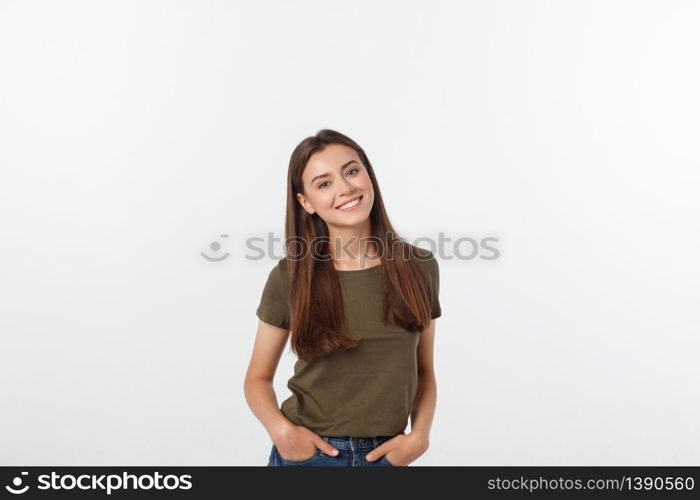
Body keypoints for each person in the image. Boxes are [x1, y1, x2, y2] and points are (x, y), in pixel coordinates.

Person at [243, 129, 442, 467]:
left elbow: (424, 371)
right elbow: (257, 379)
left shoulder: (419, 268)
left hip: (387, 457)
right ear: (306, 202)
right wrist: (282, 433)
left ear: (368, 175)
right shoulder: (290, 278)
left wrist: (419, 436)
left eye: (351, 171)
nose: (345, 188)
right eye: (324, 183)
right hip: (309, 457)